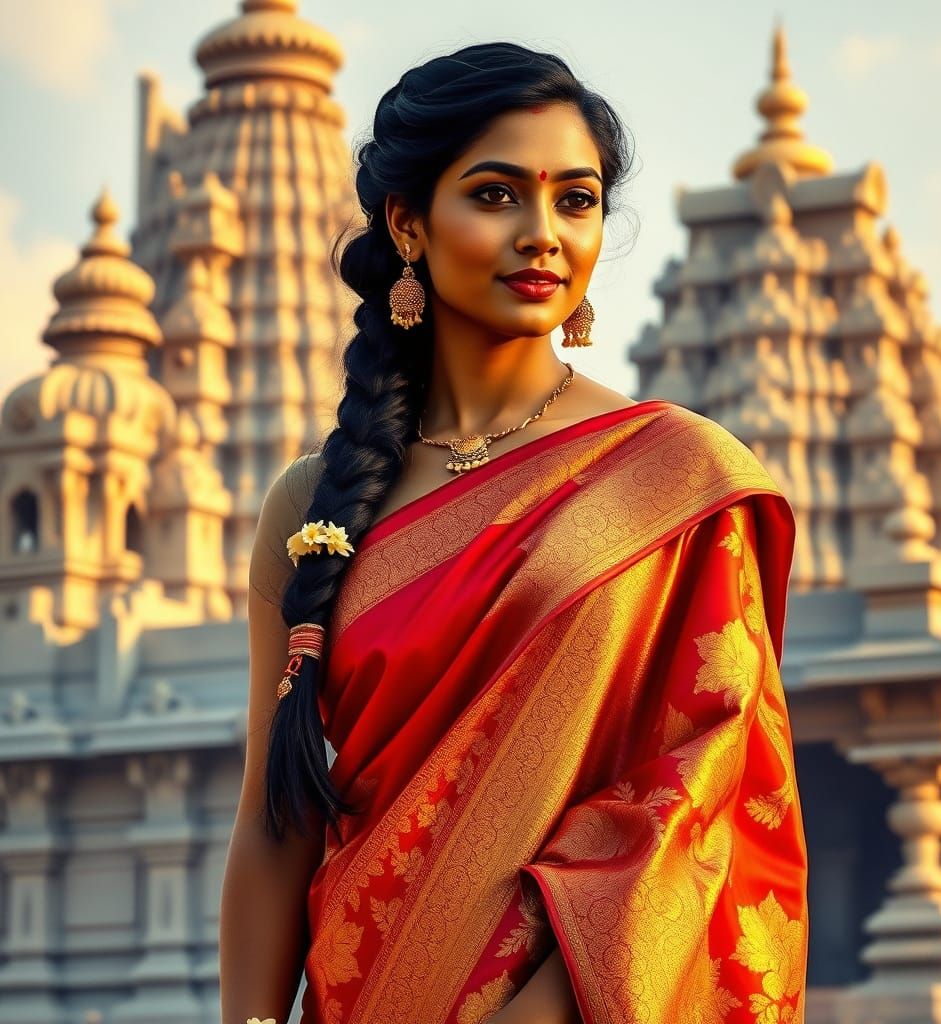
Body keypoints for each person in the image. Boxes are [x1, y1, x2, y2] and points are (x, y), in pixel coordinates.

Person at [219, 40, 809, 1024]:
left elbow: (705, 811)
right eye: (495, 195)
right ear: (408, 224)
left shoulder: (674, 478)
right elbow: (275, 817)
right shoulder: (312, 503)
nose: (542, 234)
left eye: (574, 200)